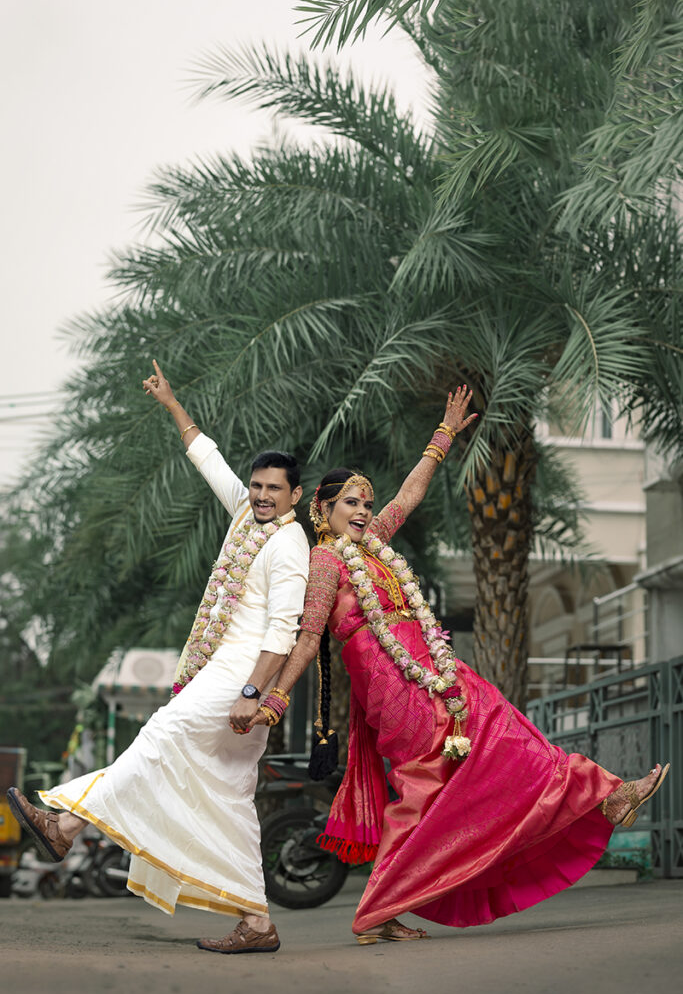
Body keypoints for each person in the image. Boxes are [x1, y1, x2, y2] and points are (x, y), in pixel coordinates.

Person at [238, 385, 670, 944]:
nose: (366, 511)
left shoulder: (375, 546)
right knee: (424, 787)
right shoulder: (325, 560)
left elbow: (411, 496)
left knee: (507, 734)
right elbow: (305, 639)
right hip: (395, 690)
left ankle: (603, 795)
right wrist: (271, 699)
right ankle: (378, 909)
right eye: (352, 503)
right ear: (322, 510)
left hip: (437, 672)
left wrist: (442, 439)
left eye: (368, 504)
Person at [8, 359, 310, 955]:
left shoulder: (289, 545)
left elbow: (283, 632)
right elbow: (210, 460)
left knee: (161, 735)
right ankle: (257, 922)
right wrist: (172, 404)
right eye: (258, 487)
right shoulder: (248, 518)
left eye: (275, 489)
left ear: (295, 495)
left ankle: (66, 825)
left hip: (242, 675)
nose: (263, 496)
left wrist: (253, 695)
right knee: (228, 798)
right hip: (223, 666)